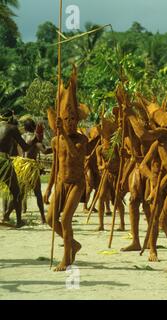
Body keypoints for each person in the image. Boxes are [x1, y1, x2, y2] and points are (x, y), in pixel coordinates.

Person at [45, 67, 89, 271]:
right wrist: (48, 188)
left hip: (76, 183)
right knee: (50, 219)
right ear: (61, 121)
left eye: (73, 119)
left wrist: (64, 136)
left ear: (77, 121)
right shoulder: (56, 140)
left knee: (65, 219)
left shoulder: (82, 139)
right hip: (61, 183)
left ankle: (67, 258)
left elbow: (75, 155)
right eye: (66, 120)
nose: (70, 123)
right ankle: (74, 244)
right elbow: (56, 165)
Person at [0, 111, 37, 227]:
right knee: (17, 192)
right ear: (11, 118)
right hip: (3, 162)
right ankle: (18, 221)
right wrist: (35, 139)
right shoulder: (12, 128)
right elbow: (25, 147)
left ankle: (6, 215)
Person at [19, 118, 52, 224]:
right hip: (31, 167)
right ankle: (43, 217)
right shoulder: (35, 138)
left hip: (21, 166)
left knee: (20, 193)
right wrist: (56, 146)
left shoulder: (20, 137)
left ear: (24, 128)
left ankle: (17, 215)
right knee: (37, 193)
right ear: (33, 127)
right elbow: (45, 151)